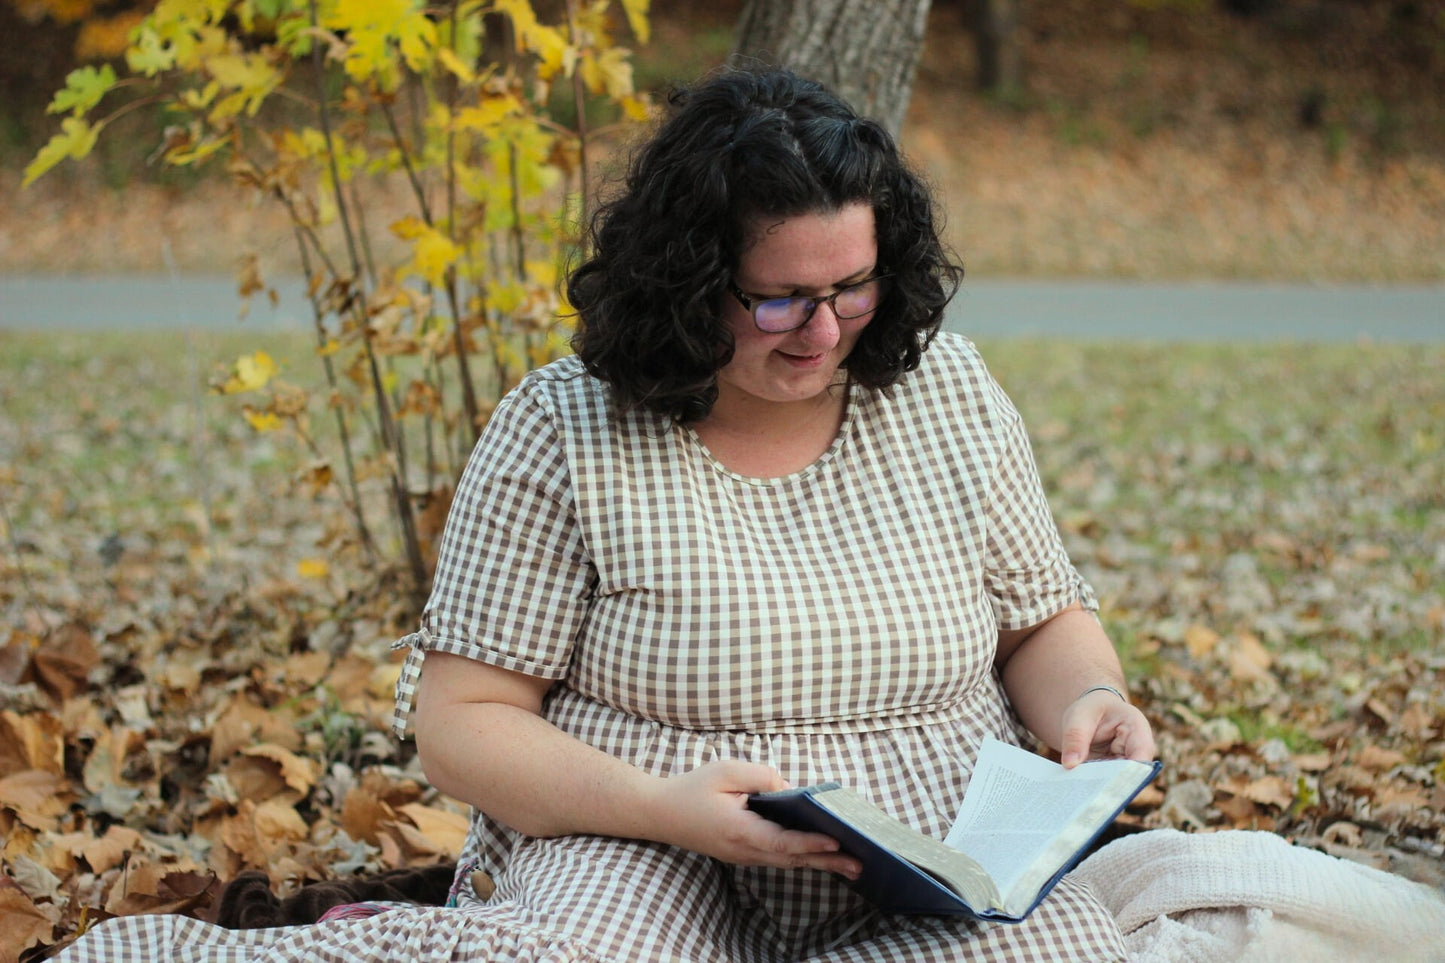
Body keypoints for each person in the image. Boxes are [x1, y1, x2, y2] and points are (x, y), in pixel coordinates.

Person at [55, 67, 1154, 962]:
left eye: (850, 288)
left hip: (929, 852)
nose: (822, 332)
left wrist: (1091, 700)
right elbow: (463, 720)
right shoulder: (565, 428)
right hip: (638, 836)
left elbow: (1038, 624)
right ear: (686, 283)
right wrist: (665, 806)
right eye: (776, 298)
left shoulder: (944, 394)